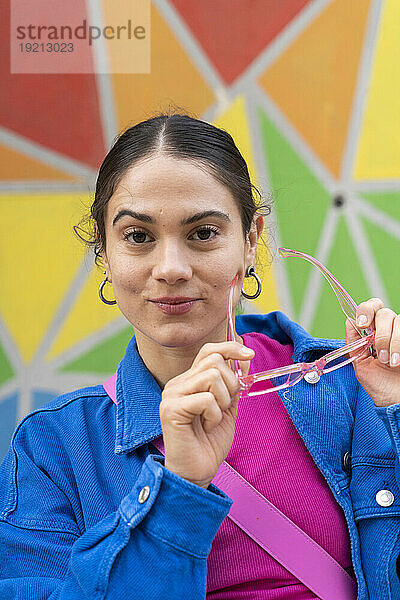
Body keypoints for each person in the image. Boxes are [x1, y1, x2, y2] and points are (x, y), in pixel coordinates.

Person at [0, 112, 400, 600]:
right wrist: (178, 491)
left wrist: (394, 413)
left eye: (203, 233)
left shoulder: (354, 387)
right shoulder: (53, 450)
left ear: (251, 242)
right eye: (138, 237)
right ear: (103, 252)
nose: (170, 268)